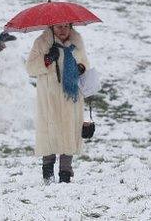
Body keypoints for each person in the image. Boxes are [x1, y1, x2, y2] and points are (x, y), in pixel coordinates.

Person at [25, 23, 91, 183]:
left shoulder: (77, 41)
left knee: (69, 131)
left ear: (71, 27)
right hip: (50, 97)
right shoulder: (41, 42)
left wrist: (80, 68)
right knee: (50, 131)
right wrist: (47, 59)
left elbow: (85, 63)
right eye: (59, 27)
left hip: (71, 97)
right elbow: (30, 68)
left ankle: (65, 172)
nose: (63, 30)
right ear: (52, 27)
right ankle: (48, 170)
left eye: (66, 27)